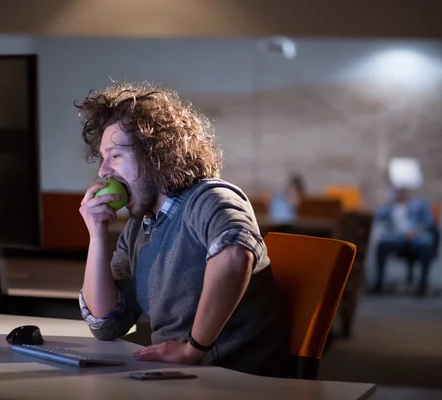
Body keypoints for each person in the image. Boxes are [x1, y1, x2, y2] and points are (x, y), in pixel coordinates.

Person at [74, 82, 288, 377]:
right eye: (102, 157)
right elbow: (106, 324)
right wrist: (96, 236)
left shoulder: (211, 198)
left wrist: (192, 349)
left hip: (233, 380)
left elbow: (235, 256)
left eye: (115, 155)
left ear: (154, 155)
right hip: (180, 379)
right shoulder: (138, 227)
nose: (102, 170)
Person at [372, 187, 436, 297]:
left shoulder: (419, 205)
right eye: (397, 192)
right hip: (396, 238)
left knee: (426, 245)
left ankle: (423, 284)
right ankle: (379, 283)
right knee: (382, 245)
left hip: (416, 237)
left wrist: (415, 232)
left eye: (402, 191)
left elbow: (429, 222)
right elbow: (376, 217)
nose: (400, 194)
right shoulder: (389, 208)